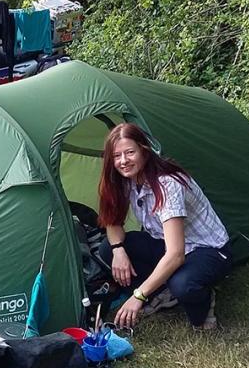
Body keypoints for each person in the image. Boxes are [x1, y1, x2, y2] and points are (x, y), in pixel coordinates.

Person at [97, 123, 232, 330]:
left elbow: (176, 254)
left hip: (207, 250)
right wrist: (118, 250)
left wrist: (138, 296)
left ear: (144, 150)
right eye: (117, 156)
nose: (123, 161)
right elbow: (112, 222)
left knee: (184, 285)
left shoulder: (168, 184)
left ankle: (203, 297)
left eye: (130, 152)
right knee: (109, 248)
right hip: (165, 243)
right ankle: (162, 293)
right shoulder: (125, 181)